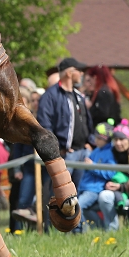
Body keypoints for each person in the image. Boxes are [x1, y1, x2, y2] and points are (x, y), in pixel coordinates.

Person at [36, 57, 93, 189]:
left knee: (78, 193)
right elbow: (44, 125)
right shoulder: (50, 96)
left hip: (83, 153)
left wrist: (90, 143)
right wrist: (58, 148)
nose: (82, 74)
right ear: (69, 73)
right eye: (79, 70)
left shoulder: (78, 96)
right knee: (59, 194)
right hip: (65, 155)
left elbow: (87, 121)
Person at [75, 121, 125, 231]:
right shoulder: (96, 150)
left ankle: (80, 233)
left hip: (94, 189)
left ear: (105, 139)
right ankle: (99, 230)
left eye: (98, 138)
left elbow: (110, 172)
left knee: (78, 207)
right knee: (86, 210)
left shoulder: (110, 153)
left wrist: (93, 166)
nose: (95, 140)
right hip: (85, 187)